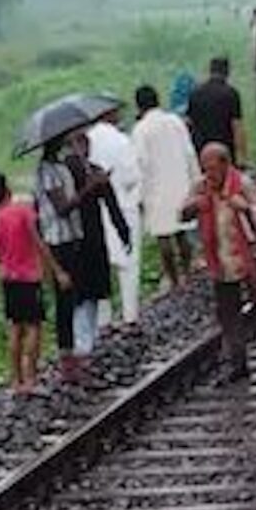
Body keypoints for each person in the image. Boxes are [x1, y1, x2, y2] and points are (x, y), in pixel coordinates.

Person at [182, 142, 256, 382]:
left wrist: (245, 208)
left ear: (225, 164)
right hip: (220, 260)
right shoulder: (201, 187)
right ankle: (238, 362)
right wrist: (194, 206)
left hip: (247, 257)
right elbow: (182, 212)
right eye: (205, 169)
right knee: (227, 313)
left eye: (212, 168)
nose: (208, 174)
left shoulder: (242, 184)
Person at [0, 172, 70, 394]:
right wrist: (57, 271)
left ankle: (16, 380)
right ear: (7, 188)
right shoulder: (23, 211)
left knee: (15, 327)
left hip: (8, 279)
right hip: (29, 278)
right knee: (33, 327)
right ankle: (31, 377)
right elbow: (39, 243)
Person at [34, 135, 99, 377]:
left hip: (72, 237)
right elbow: (62, 208)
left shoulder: (59, 167)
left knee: (72, 295)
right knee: (64, 298)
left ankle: (71, 349)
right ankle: (66, 353)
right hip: (58, 239)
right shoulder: (46, 171)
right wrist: (88, 188)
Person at [64, 131, 130, 362]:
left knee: (88, 290)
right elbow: (64, 207)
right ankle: (83, 341)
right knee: (84, 291)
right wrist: (123, 231)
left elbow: (111, 204)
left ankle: (86, 340)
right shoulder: (69, 174)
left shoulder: (92, 170)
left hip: (87, 237)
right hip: (77, 238)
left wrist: (123, 230)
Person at [131, 85, 200, 291]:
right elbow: (189, 153)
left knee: (164, 236)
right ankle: (187, 272)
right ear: (158, 99)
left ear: (139, 105)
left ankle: (173, 278)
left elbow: (140, 164)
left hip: (155, 189)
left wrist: (139, 196)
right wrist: (196, 182)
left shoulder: (141, 129)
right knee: (182, 232)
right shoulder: (175, 121)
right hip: (180, 183)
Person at [87, 108, 142, 328]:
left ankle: (103, 318)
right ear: (109, 115)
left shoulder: (87, 140)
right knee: (128, 263)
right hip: (123, 205)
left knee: (101, 264)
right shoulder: (121, 140)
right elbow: (131, 177)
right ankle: (130, 314)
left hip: (96, 209)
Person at [187, 57, 247, 165]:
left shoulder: (195, 93)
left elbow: (189, 124)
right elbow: (237, 127)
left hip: (201, 154)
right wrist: (242, 157)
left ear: (210, 71)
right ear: (227, 73)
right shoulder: (231, 94)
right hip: (224, 154)